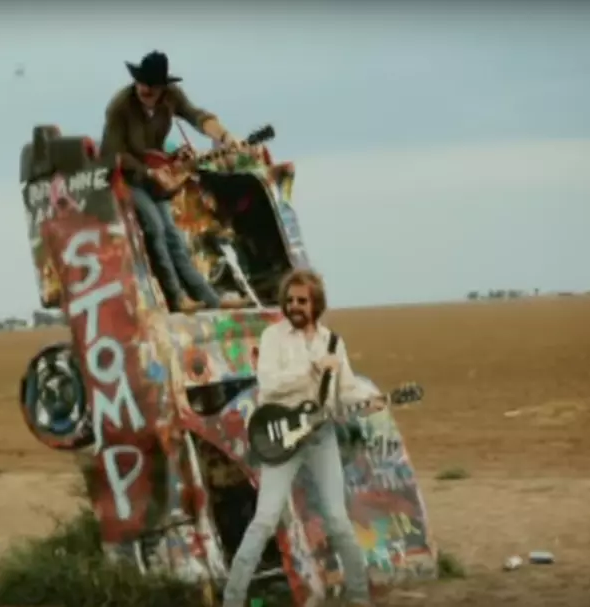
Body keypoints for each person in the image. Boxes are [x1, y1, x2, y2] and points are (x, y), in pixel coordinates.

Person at [223, 268, 384, 607]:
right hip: (279, 438)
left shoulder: (333, 343)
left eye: (303, 301)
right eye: (290, 300)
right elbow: (269, 385)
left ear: (316, 303)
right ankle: (233, 600)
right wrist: (311, 368)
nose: (295, 306)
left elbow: (346, 390)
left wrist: (370, 401)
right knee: (265, 519)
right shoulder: (273, 338)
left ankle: (359, 598)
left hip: (320, 437)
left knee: (338, 520)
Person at [101, 50, 251, 313]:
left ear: (163, 87)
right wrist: (147, 172)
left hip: (158, 178)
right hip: (129, 178)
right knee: (155, 229)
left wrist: (226, 136)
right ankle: (176, 298)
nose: (145, 89)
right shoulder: (120, 106)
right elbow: (112, 153)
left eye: (152, 85)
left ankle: (211, 301)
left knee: (174, 237)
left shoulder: (171, 98)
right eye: (142, 83)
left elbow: (198, 117)